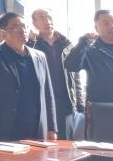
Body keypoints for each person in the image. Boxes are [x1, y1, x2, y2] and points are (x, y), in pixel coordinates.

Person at [0, 13, 58, 142]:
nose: (22, 30)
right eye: (16, 27)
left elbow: (48, 92)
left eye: (24, 26)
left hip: (37, 127)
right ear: (3, 32)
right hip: (8, 127)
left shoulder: (39, 56)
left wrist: (52, 127)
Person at [28, 9, 83, 139]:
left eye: (49, 18)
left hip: (66, 104)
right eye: (42, 18)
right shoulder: (32, 46)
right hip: (43, 104)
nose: (47, 21)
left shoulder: (67, 45)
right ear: (34, 23)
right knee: (44, 143)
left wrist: (79, 103)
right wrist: (30, 42)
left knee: (66, 144)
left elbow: (75, 76)